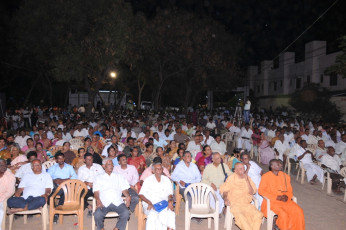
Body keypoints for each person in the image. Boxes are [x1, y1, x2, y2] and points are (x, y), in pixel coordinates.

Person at [259, 159, 305, 230]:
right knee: (283, 215)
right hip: (272, 202)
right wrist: (276, 197)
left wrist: (287, 196)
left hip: (285, 200)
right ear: (272, 166)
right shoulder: (266, 176)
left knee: (299, 211)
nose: (281, 165)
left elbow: (290, 190)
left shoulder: (285, 176)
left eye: (280, 164)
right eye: (278, 164)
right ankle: (279, 224)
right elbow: (261, 191)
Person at [220, 162, 263, 230]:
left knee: (258, 215)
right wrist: (225, 198)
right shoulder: (231, 178)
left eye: (243, 168)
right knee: (241, 218)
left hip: (246, 204)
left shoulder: (248, 178)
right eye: (240, 169)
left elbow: (252, 192)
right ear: (235, 171)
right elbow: (224, 190)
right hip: (235, 204)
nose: (243, 170)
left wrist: (247, 180)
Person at [93, 159, 131, 230]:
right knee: (97, 214)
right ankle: (101, 228)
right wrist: (98, 200)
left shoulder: (119, 176)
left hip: (117, 201)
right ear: (104, 166)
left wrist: (128, 196)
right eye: (109, 164)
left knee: (126, 213)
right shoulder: (98, 178)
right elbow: (96, 192)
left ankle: (116, 228)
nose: (112, 166)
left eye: (112, 164)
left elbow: (124, 189)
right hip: (104, 202)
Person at [139, 161, 175, 230]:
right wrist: (149, 202)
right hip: (150, 203)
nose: (159, 171)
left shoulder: (166, 180)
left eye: (160, 169)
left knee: (171, 214)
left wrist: (170, 200)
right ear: (153, 171)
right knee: (152, 215)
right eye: (157, 169)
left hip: (163, 203)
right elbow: (141, 194)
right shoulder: (148, 180)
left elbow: (170, 194)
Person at [48, 151, 77, 223]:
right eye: (59, 159)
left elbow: (74, 178)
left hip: (66, 186)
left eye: (62, 158)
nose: (60, 160)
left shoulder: (69, 167)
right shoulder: (53, 168)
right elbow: (47, 177)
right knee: (49, 196)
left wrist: (62, 180)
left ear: (64, 159)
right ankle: (56, 210)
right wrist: (55, 180)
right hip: (55, 186)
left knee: (65, 191)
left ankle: (56, 213)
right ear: (56, 160)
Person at [0, 159, 15, 228]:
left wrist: (0, 199)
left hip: (2, 199)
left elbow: (10, 191)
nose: (3, 167)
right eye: (0, 165)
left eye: (4, 165)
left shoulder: (10, 176)